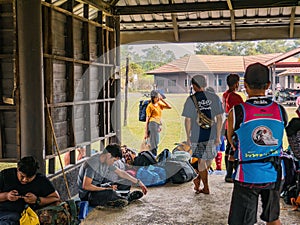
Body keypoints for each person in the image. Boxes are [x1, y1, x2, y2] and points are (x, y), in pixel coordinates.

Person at [227, 63, 288, 225]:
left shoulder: (237, 112)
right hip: (274, 175)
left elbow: (232, 141)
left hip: (248, 176)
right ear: (268, 85)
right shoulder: (280, 110)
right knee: (273, 220)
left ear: (244, 85)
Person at [182, 75, 224, 194]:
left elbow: (188, 120)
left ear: (194, 86)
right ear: (205, 84)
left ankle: (201, 182)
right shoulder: (214, 97)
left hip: (196, 134)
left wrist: (188, 137)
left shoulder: (191, 99)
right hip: (212, 134)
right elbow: (219, 118)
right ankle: (204, 185)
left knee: (202, 160)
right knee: (208, 158)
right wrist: (218, 136)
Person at [77, 143, 148, 208]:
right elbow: (86, 186)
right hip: (88, 195)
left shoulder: (106, 161)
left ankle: (120, 198)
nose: (113, 163)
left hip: (99, 187)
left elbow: (121, 173)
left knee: (126, 181)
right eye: (114, 160)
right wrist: (106, 188)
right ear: (108, 155)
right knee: (110, 193)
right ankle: (126, 198)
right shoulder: (93, 163)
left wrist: (138, 182)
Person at [0, 156, 61, 225]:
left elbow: (56, 197)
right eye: (22, 176)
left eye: (29, 177)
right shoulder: (5, 175)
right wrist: (6, 196)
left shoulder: (41, 181)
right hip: (3, 211)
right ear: (18, 169)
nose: (25, 180)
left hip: (24, 216)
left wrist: (37, 200)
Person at [222, 73, 244, 182]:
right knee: (233, 149)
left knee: (228, 148)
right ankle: (230, 174)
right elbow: (242, 111)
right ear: (236, 84)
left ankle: (229, 172)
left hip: (226, 125)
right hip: (234, 126)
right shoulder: (236, 97)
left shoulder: (225, 94)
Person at [144, 90, 171, 156]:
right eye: (157, 97)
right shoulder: (150, 106)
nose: (158, 98)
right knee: (154, 142)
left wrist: (162, 100)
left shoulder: (159, 104)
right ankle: (153, 156)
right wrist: (146, 132)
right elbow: (147, 119)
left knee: (156, 141)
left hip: (157, 124)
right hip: (152, 124)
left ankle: (153, 155)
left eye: (159, 97)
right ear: (153, 98)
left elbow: (169, 107)